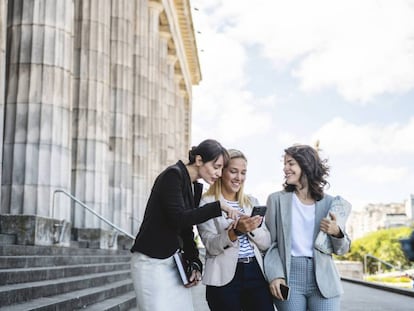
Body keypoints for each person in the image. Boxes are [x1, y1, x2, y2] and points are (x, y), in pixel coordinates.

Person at [130, 139, 240, 311]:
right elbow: (178, 218)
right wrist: (218, 207)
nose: (219, 173)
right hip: (151, 262)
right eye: (216, 166)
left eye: (221, 168)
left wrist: (195, 261)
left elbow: (187, 229)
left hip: (173, 264)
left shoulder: (194, 188)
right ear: (198, 160)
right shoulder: (172, 175)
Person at [264, 144, 352, 311]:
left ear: (306, 165)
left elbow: (342, 249)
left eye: (290, 163)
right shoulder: (276, 200)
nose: (285, 169)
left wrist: (337, 233)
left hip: (324, 280)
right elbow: (271, 244)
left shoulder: (330, 203)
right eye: (284, 164)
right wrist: (275, 275)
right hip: (290, 278)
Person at [197, 149, 275, 311]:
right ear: (222, 172)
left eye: (243, 173)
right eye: (233, 171)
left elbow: (266, 242)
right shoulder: (207, 203)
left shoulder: (251, 202)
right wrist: (235, 232)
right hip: (223, 277)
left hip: (255, 271)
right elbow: (210, 246)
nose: (239, 178)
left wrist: (249, 228)